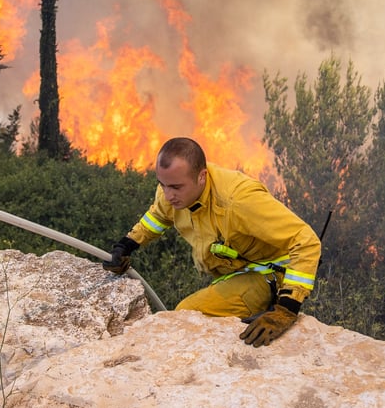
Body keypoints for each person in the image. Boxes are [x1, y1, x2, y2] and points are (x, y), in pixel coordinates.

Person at [103, 137, 321, 346]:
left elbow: (306, 241)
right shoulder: (173, 189)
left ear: (201, 176)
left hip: (268, 274)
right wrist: (127, 245)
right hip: (237, 273)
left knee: (185, 314)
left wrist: (286, 309)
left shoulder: (238, 200)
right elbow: (158, 217)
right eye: (162, 185)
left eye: (176, 187)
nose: (168, 195)